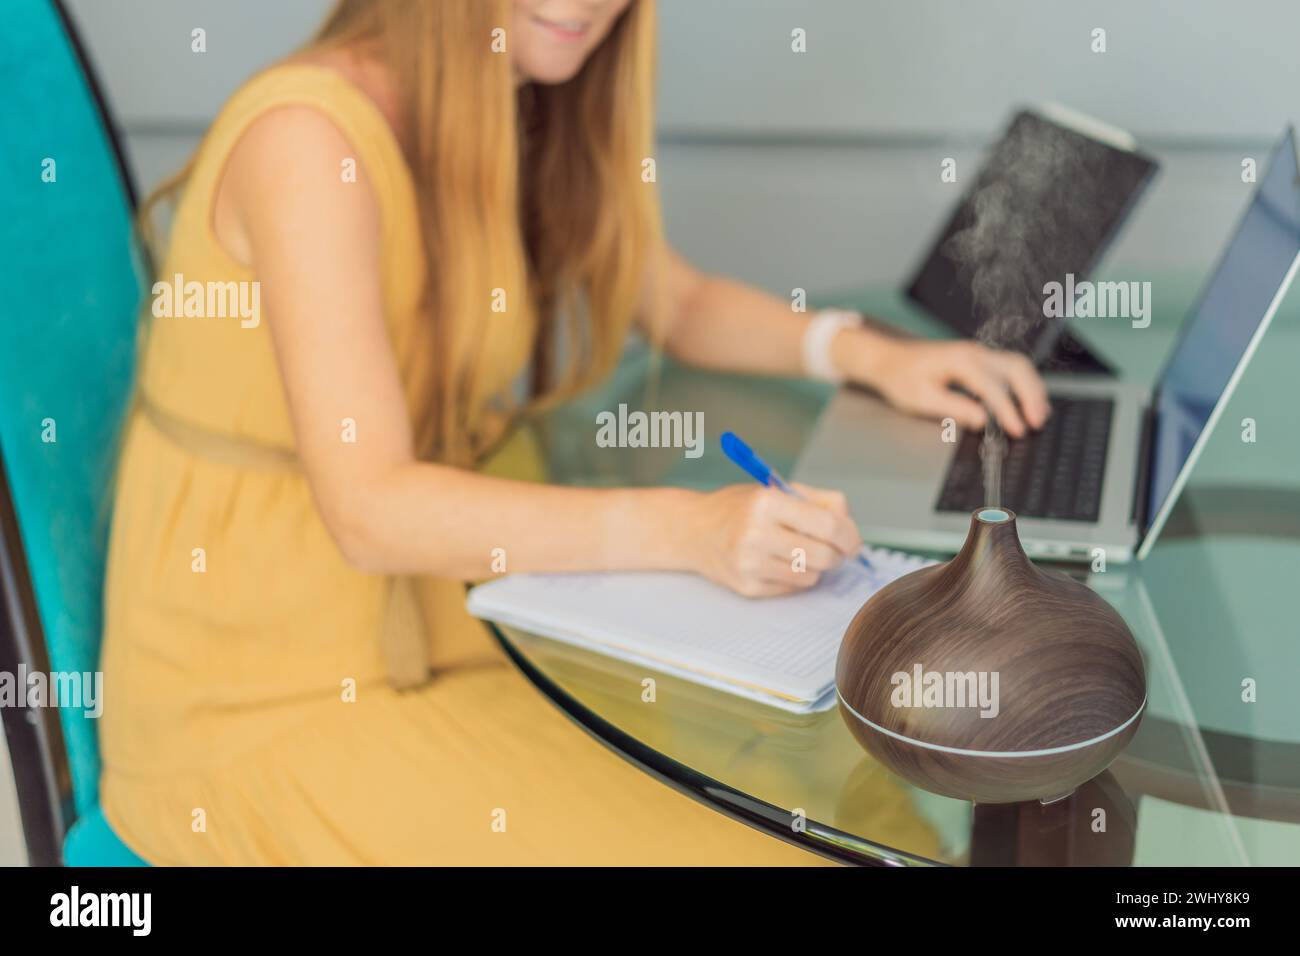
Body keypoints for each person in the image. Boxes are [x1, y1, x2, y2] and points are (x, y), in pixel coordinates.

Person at [100, 0, 1047, 865]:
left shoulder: (517, 91)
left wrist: (863, 352)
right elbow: (369, 507)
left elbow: (672, 300)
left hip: (473, 605)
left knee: (864, 808)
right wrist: (688, 531)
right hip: (271, 685)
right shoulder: (306, 141)